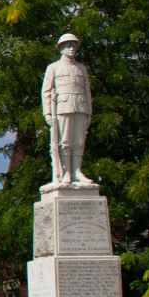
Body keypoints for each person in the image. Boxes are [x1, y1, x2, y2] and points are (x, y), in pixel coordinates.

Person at [42, 33, 94, 189]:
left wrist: (89, 112)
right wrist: (47, 113)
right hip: (63, 109)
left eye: (74, 45)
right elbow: (46, 91)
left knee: (79, 142)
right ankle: (66, 173)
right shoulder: (53, 68)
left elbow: (87, 91)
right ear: (61, 48)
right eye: (68, 45)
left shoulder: (82, 68)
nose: (72, 48)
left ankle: (77, 171)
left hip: (81, 107)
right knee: (64, 142)